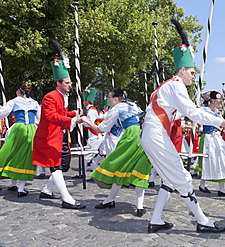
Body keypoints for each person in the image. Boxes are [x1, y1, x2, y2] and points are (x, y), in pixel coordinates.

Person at [140, 18, 225, 234]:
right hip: (155, 135)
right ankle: (203, 221)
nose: (194, 76)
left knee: (169, 178)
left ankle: (156, 220)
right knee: (182, 178)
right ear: (182, 70)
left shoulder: (166, 86)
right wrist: (222, 121)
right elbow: (192, 112)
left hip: (154, 135)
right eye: (192, 72)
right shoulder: (176, 86)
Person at [32, 40, 85, 209]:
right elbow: (51, 116)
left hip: (57, 137)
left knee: (60, 166)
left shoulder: (61, 97)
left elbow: (60, 114)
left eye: (70, 83)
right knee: (55, 167)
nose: (70, 85)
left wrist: (73, 114)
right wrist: (71, 120)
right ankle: (67, 199)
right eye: (67, 83)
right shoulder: (50, 97)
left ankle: (47, 191)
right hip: (47, 138)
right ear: (58, 83)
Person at [82, 88, 151, 217]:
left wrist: (85, 120)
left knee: (118, 166)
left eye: (109, 97)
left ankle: (110, 200)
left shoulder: (116, 109)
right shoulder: (133, 105)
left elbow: (101, 129)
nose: (108, 100)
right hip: (145, 135)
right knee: (140, 170)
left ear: (116, 98)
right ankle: (137, 206)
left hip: (132, 136)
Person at [196, 91, 225, 197]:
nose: (220, 101)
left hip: (216, 137)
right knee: (208, 160)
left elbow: (223, 124)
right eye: (218, 99)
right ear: (212, 100)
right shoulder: (204, 110)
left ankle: (221, 188)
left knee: (222, 159)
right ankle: (202, 185)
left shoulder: (217, 111)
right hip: (208, 137)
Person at [0, 83, 40, 196]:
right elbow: (40, 119)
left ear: (19, 91)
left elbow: (1, 113)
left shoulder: (14, 101)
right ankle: (19, 188)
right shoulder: (35, 103)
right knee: (25, 158)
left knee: (10, 154)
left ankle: (13, 183)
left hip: (18, 129)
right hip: (31, 130)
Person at [82, 87, 103, 172]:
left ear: (87, 101)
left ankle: (96, 174)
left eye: (84, 101)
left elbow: (91, 123)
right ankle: (95, 173)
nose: (83, 102)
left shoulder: (90, 111)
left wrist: (81, 121)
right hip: (95, 135)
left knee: (86, 157)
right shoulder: (93, 110)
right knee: (87, 158)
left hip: (94, 136)